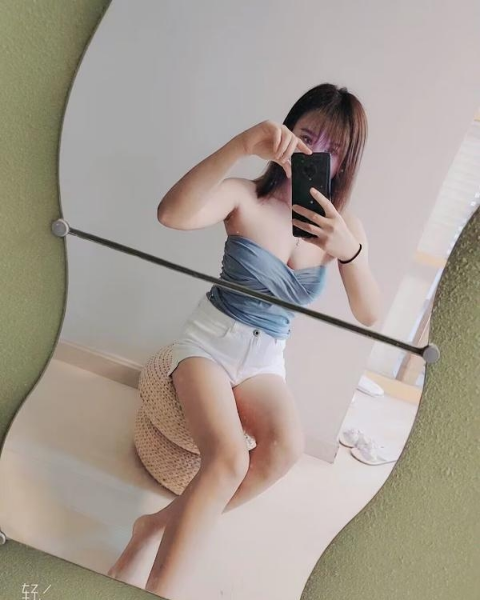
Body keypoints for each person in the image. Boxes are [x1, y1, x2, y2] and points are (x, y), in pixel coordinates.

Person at [108, 83, 382, 596]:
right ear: (284, 134)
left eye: (334, 148)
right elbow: (170, 214)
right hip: (209, 343)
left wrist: (349, 252)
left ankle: (155, 526)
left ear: (346, 162)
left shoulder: (344, 229)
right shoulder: (245, 196)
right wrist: (240, 144)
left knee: (286, 449)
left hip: (266, 360)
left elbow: (369, 314)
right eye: (307, 136)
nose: (315, 152)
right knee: (229, 458)